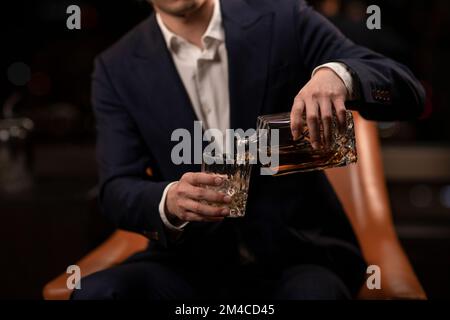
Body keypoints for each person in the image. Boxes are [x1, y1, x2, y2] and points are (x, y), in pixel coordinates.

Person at [72, 0, 425, 300]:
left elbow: (406, 89)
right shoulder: (115, 67)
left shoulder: (284, 17)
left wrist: (338, 75)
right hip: (189, 265)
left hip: (299, 257)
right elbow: (117, 188)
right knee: (96, 293)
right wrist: (169, 200)